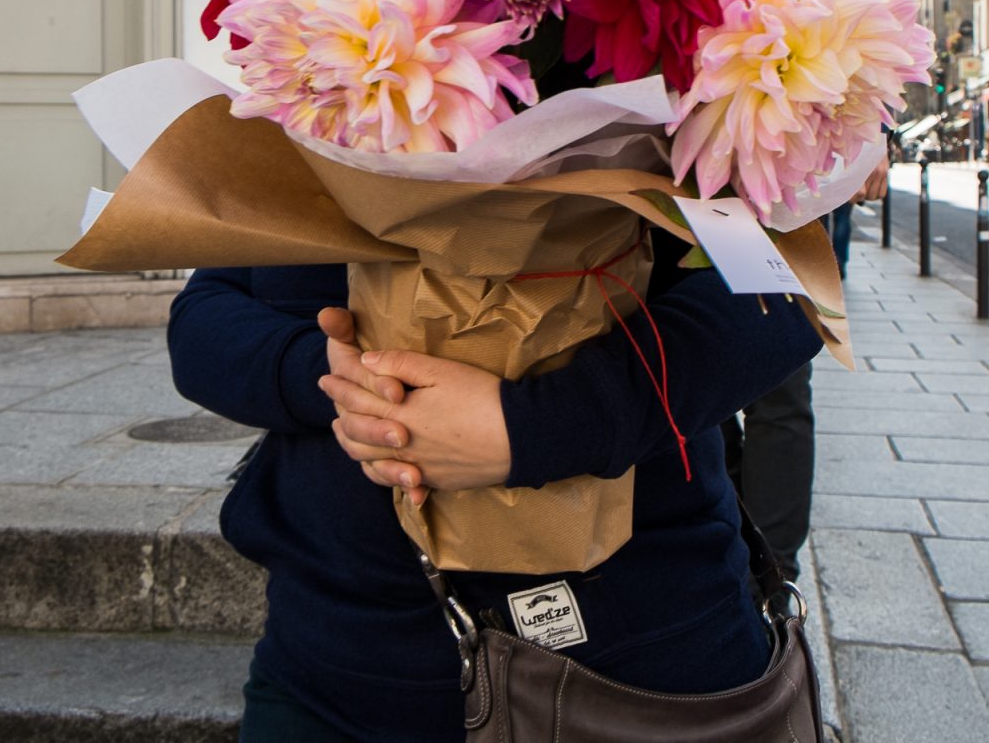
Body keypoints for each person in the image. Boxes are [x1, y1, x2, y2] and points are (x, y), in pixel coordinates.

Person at [169, 227, 825, 740]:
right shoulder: (302, 93)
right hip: (331, 661)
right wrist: (338, 381)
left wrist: (540, 425)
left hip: (639, 670)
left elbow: (783, 282)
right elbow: (205, 314)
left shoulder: (688, 75)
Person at [658, 0, 884, 583]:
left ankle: (771, 575)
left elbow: (867, 9)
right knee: (698, 367)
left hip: (796, 163)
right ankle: (715, 550)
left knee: (782, 379)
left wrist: (872, 142)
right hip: (696, 166)